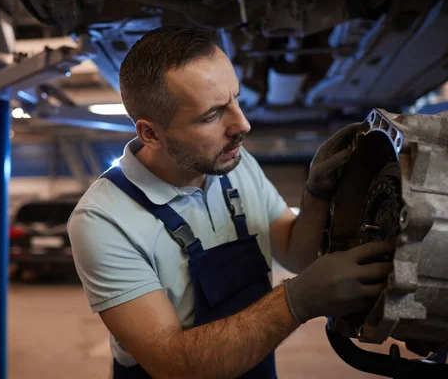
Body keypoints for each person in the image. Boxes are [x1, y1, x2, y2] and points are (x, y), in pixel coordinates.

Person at [67, 26, 393, 379]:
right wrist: (296, 301)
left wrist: (316, 193)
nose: (243, 124)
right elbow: (171, 364)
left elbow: (295, 253)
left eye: (236, 99)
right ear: (151, 133)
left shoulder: (235, 163)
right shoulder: (102, 219)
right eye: (211, 115)